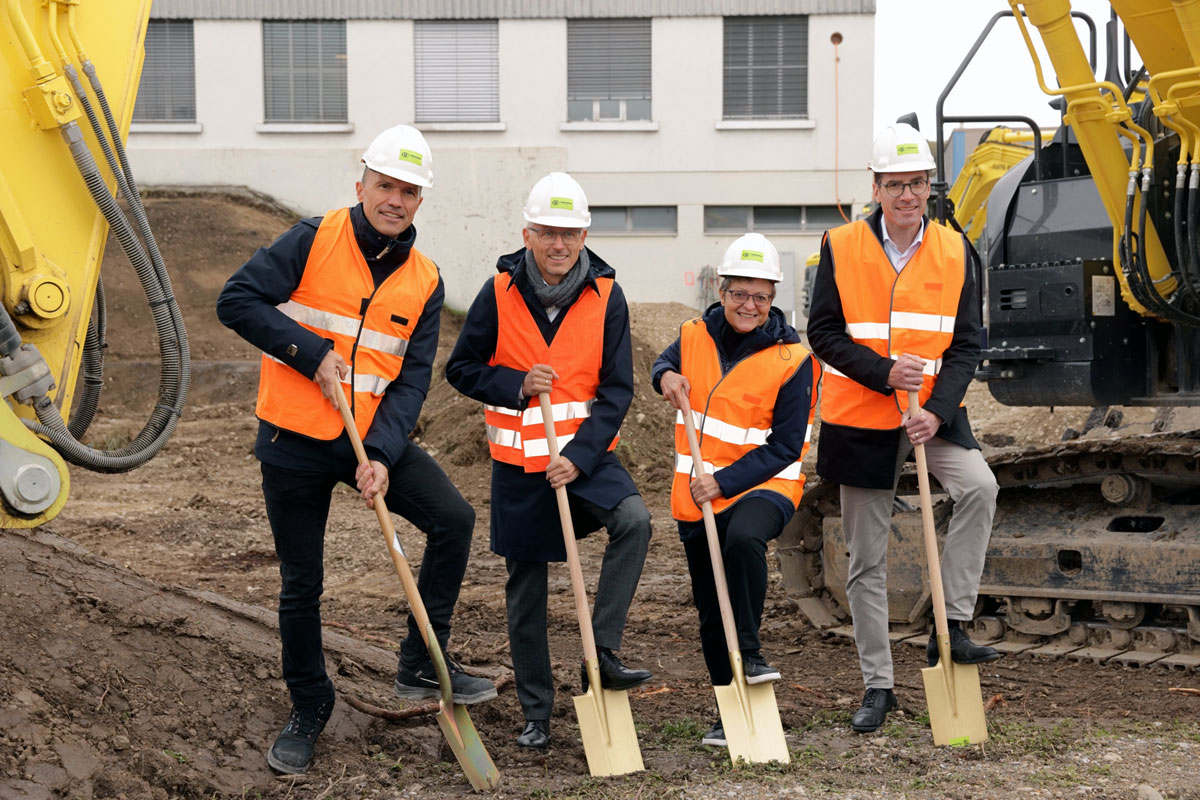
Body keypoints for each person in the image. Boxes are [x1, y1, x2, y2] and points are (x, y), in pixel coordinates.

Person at [216, 124, 495, 775]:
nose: (395, 199)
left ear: (421, 200)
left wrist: (380, 453)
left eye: (409, 191)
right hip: (292, 441)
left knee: (453, 520)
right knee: (302, 584)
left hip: (364, 441)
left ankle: (422, 666)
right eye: (386, 185)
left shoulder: (425, 280)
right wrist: (308, 351)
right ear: (362, 183)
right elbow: (237, 300)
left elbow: (411, 379)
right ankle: (309, 706)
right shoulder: (313, 239)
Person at [445, 171, 653, 752]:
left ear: (584, 235)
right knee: (527, 588)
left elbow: (616, 391)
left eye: (569, 234)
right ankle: (537, 711)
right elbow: (460, 369)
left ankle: (603, 653)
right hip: (519, 467)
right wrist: (514, 383)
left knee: (635, 522)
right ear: (527, 233)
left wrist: (580, 459)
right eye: (546, 233)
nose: (558, 245)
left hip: (585, 460)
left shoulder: (608, 297)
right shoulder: (498, 291)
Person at [806, 122, 1001, 735]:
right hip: (862, 418)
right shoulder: (840, 246)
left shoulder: (954, 248)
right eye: (896, 184)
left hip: (932, 416)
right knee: (868, 560)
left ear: (927, 186)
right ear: (877, 187)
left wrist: (937, 411)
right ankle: (878, 686)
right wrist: (886, 373)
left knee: (980, 488)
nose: (907, 195)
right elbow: (824, 334)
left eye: (916, 183)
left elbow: (968, 343)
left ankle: (954, 626)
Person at [652, 233, 820, 748]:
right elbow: (664, 364)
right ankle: (729, 707)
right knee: (710, 603)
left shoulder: (795, 360)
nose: (749, 305)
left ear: (773, 299)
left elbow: (788, 445)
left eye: (760, 296)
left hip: (764, 484)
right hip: (696, 495)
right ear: (722, 291)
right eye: (740, 293)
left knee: (744, 541)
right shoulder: (691, 333)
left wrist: (723, 482)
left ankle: (749, 651)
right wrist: (666, 378)